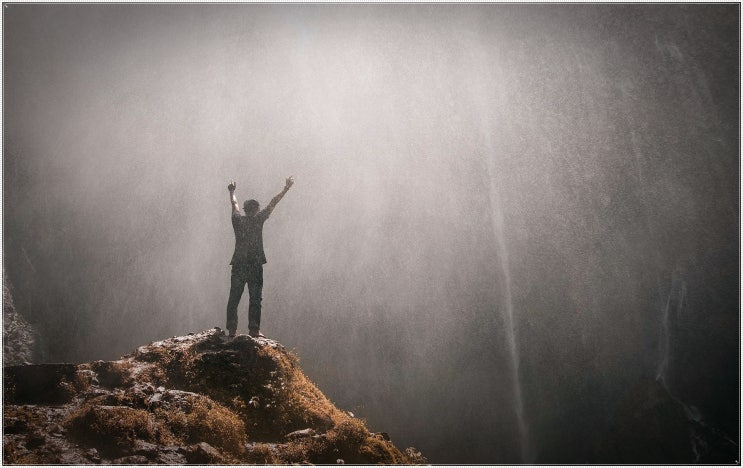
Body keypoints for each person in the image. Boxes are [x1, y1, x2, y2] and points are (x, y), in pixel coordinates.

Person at [226, 176, 294, 338]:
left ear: (245, 209)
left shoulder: (237, 220)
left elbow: (234, 204)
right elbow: (273, 202)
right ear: (256, 209)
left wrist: (232, 191)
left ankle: (232, 330)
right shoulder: (258, 220)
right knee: (255, 298)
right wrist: (286, 189)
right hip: (255, 265)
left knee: (234, 297)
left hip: (239, 264)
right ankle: (254, 330)